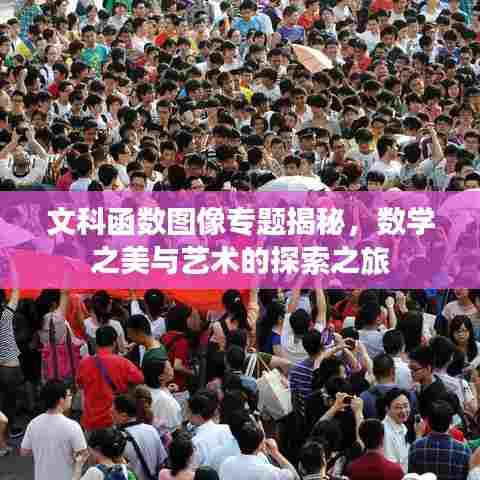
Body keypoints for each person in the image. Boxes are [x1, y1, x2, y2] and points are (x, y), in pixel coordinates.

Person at [76, 325, 144, 432]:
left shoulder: (84, 364)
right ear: (114, 343)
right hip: (113, 421)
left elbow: (80, 387)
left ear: (96, 342)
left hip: (90, 422)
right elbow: (140, 379)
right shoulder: (123, 363)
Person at [20, 380, 87, 480]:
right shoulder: (73, 426)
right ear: (61, 400)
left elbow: (24, 451)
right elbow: (82, 454)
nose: (71, 398)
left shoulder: (33, 423)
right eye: (69, 395)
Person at [408, 400, 471, 480]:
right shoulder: (464, 450)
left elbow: (411, 476)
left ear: (428, 422)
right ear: (450, 422)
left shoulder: (415, 447)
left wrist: (418, 435)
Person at [219, 420, 298, 480]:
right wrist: (276, 453)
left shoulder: (225, 464)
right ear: (260, 445)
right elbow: (294, 476)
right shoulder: (268, 471)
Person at [112, 394, 167, 480]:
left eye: (113, 413)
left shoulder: (117, 438)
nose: (111, 416)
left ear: (123, 415)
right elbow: (161, 463)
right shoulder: (151, 429)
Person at [189, 389, 234, 467]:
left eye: (189, 411)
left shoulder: (196, 442)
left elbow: (192, 468)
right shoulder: (226, 428)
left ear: (198, 415)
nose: (188, 415)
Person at [72, 427, 137, 480]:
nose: (89, 452)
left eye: (89, 449)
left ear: (97, 448)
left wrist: (78, 466)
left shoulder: (95, 472)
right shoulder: (127, 471)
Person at [379, 388, 412, 472]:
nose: (403, 411)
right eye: (398, 407)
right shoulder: (384, 431)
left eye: (406, 406)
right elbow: (390, 465)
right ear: (387, 409)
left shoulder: (402, 426)